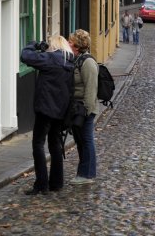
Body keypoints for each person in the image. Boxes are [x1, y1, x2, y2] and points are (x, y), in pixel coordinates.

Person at [20, 35, 74, 195]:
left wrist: (33, 44)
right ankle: (56, 183)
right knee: (55, 145)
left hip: (45, 108)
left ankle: (41, 184)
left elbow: (25, 56)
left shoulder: (50, 59)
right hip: (60, 110)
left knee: (38, 144)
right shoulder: (69, 62)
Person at [68, 29, 98, 185]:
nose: (68, 43)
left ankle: (87, 175)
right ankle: (84, 172)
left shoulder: (88, 63)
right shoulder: (77, 59)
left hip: (85, 109)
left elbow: (91, 89)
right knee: (81, 141)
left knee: (86, 141)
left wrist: (86, 111)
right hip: (77, 107)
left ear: (77, 46)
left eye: (71, 42)